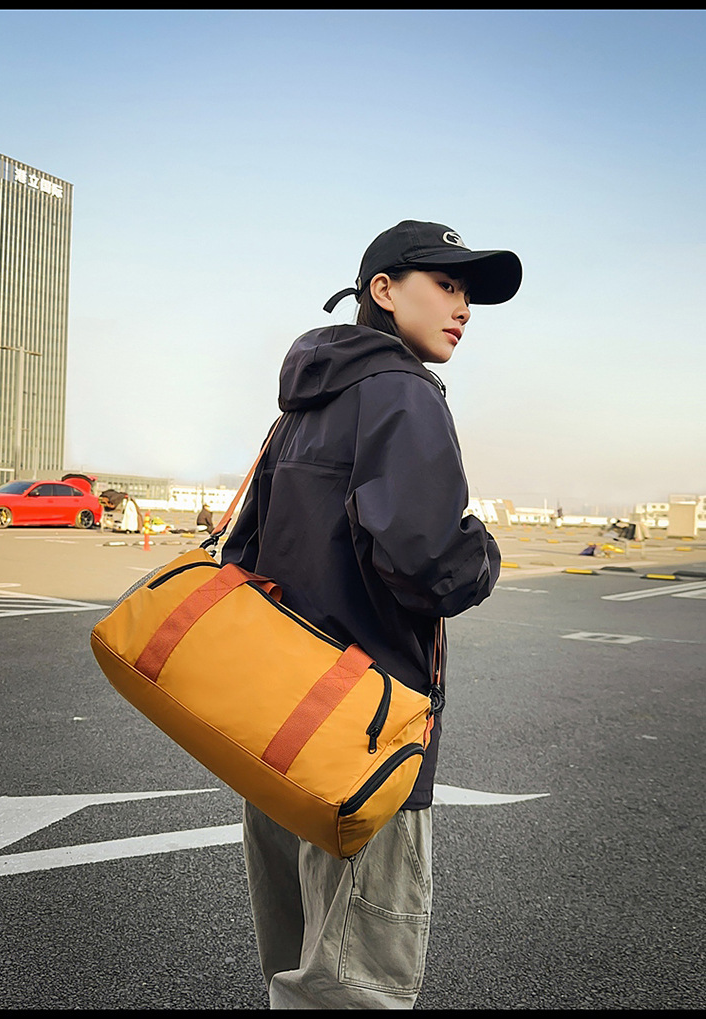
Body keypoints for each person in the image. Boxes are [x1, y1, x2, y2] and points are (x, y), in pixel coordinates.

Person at [220, 219, 522, 1009]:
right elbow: (429, 562)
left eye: (467, 292)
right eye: (446, 284)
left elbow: (241, 553)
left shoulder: (300, 404)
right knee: (355, 984)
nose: (463, 308)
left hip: (277, 727)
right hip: (365, 732)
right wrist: (483, 550)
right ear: (383, 290)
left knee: (296, 966)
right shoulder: (403, 393)